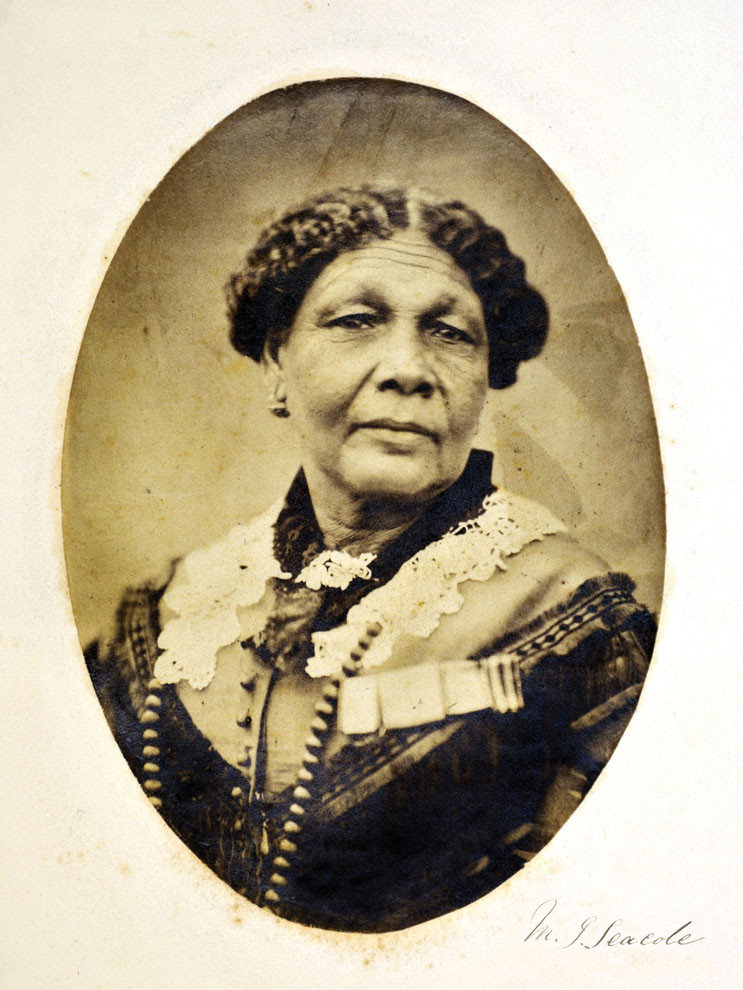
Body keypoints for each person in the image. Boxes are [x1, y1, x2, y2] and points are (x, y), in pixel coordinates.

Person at [86, 187, 656, 932]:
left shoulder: (580, 623)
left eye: (450, 333)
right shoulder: (172, 615)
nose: (408, 369)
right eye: (356, 321)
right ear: (275, 363)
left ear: (485, 378)